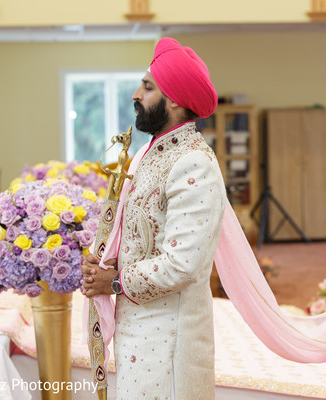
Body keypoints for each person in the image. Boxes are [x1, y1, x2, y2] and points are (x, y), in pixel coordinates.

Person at [80, 37, 226, 399]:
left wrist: (113, 281)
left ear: (174, 98)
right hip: (140, 329)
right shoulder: (151, 152)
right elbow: (140, 237)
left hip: (170, 340)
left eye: (147, 87)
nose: (135, 94)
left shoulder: (194, 162)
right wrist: (104, 259)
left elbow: (183, 265)